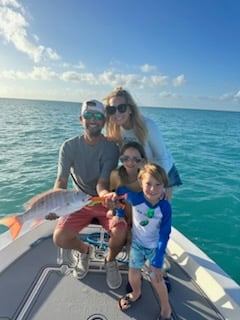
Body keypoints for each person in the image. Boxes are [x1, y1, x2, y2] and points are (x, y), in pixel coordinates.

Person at [51, 99, 127, 290]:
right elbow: (61, 181)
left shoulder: (111, 149)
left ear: (104, 121)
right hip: (77, 201)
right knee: (59, 237)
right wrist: (54, 204)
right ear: (81, 119)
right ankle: (85, 251)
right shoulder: (68, 147)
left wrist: (106, 196)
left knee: (121, 232)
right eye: (88, 115)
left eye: (98, 116)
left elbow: (103, 182)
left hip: (104, 201)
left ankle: (110, 260)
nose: (93, 120)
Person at [103, 87, 182, 201]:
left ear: (130, 109)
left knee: (158, 213)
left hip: (163, 172)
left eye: (122, 108)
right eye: (111, 109)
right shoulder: (117, 130)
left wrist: (159, 186)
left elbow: (162, 157)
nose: (117, 113)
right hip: (143, 174)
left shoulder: (148, 125)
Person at [117, 163, 172, 320]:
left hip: (155, 248)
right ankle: (136, 293)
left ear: (163, 187)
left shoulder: (165, 207)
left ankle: (166, 308)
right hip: (137, 244)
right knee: (133, 272)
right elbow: (120, 191)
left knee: (156, 278)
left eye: (158, 185)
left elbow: (165, 234)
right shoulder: (135, 198)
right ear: (141, 182)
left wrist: (158, 260)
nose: (153, 189)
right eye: (148, 184)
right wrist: (119, 212)